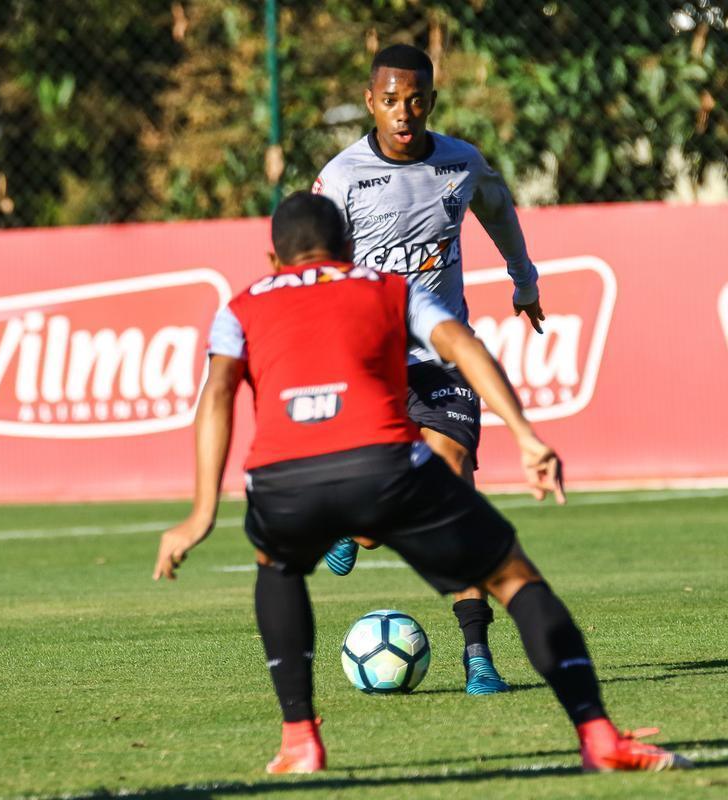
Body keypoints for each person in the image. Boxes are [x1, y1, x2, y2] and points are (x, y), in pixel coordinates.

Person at [153, 192, 689, 776]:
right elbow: (460, 344)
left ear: (272, 257)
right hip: (384, 466)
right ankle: (599, 737)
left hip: (284, 479)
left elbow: (217, 397)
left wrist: (201, 512)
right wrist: (525, 434)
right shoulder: (387, 286)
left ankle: (299, 740)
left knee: (276, 566)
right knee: (513, 576)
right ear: (350, 247)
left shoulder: (240, 305)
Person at [313, 43, 544, 695]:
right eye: (390, 100)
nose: (403, 112)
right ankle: (352, 527)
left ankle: (477, 657)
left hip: (442, 359)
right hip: (370, 362)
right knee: (377, 506)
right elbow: (319, 270)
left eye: (415, 100)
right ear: (370, 102)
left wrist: (523, 283)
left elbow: (500, 214)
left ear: (431, 102)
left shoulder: (460, 163)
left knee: (452, 495)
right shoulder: (342, 178)